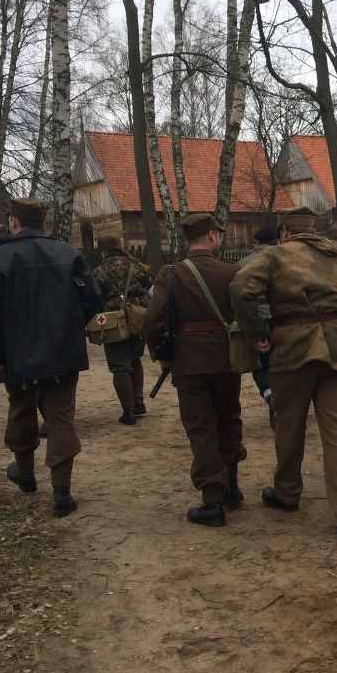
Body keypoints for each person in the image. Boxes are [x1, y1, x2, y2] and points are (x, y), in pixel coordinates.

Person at [231, 206, 337, 539]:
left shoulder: (274, 257)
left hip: (292, 349)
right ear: (314, 230)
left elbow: (240, 289)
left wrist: (258, 332)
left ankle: (287, 492)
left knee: (288, 425)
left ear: (284, 232)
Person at [0, 198, 101, 517]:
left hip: (17, 353)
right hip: (62, 352)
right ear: (43, 224)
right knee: (61, 419)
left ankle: (26, 474)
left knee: (20, 411)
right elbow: (92, 299)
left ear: (14, 222)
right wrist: (72, 326)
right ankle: (62, 491)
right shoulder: (70, 253)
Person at [144, 213, 246, 528]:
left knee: (201, 428)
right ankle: (230, 486)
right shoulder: (232, 272)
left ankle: (212, 501)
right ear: (212, 236)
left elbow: (152, 319)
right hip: (227, 359)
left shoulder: (171, 274)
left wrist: (161, 355)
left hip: (188, 363)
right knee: (229, 419)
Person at [92, 235, 154, 424]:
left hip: (112, 320)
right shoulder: (138, 265)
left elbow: (93, 296)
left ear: (103, 251)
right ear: (120, 246)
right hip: (137, 316)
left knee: (120, 365)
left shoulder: (98, 270)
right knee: (135, 358)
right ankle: (138, 400)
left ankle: (128, 411)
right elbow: (152, 290)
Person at [238, 227, 278, 428]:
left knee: (261, 363)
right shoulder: (281, 259)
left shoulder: (241, 264)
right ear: (274, 240)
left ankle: (269, 393)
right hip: (279, 320)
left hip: (256, 321)